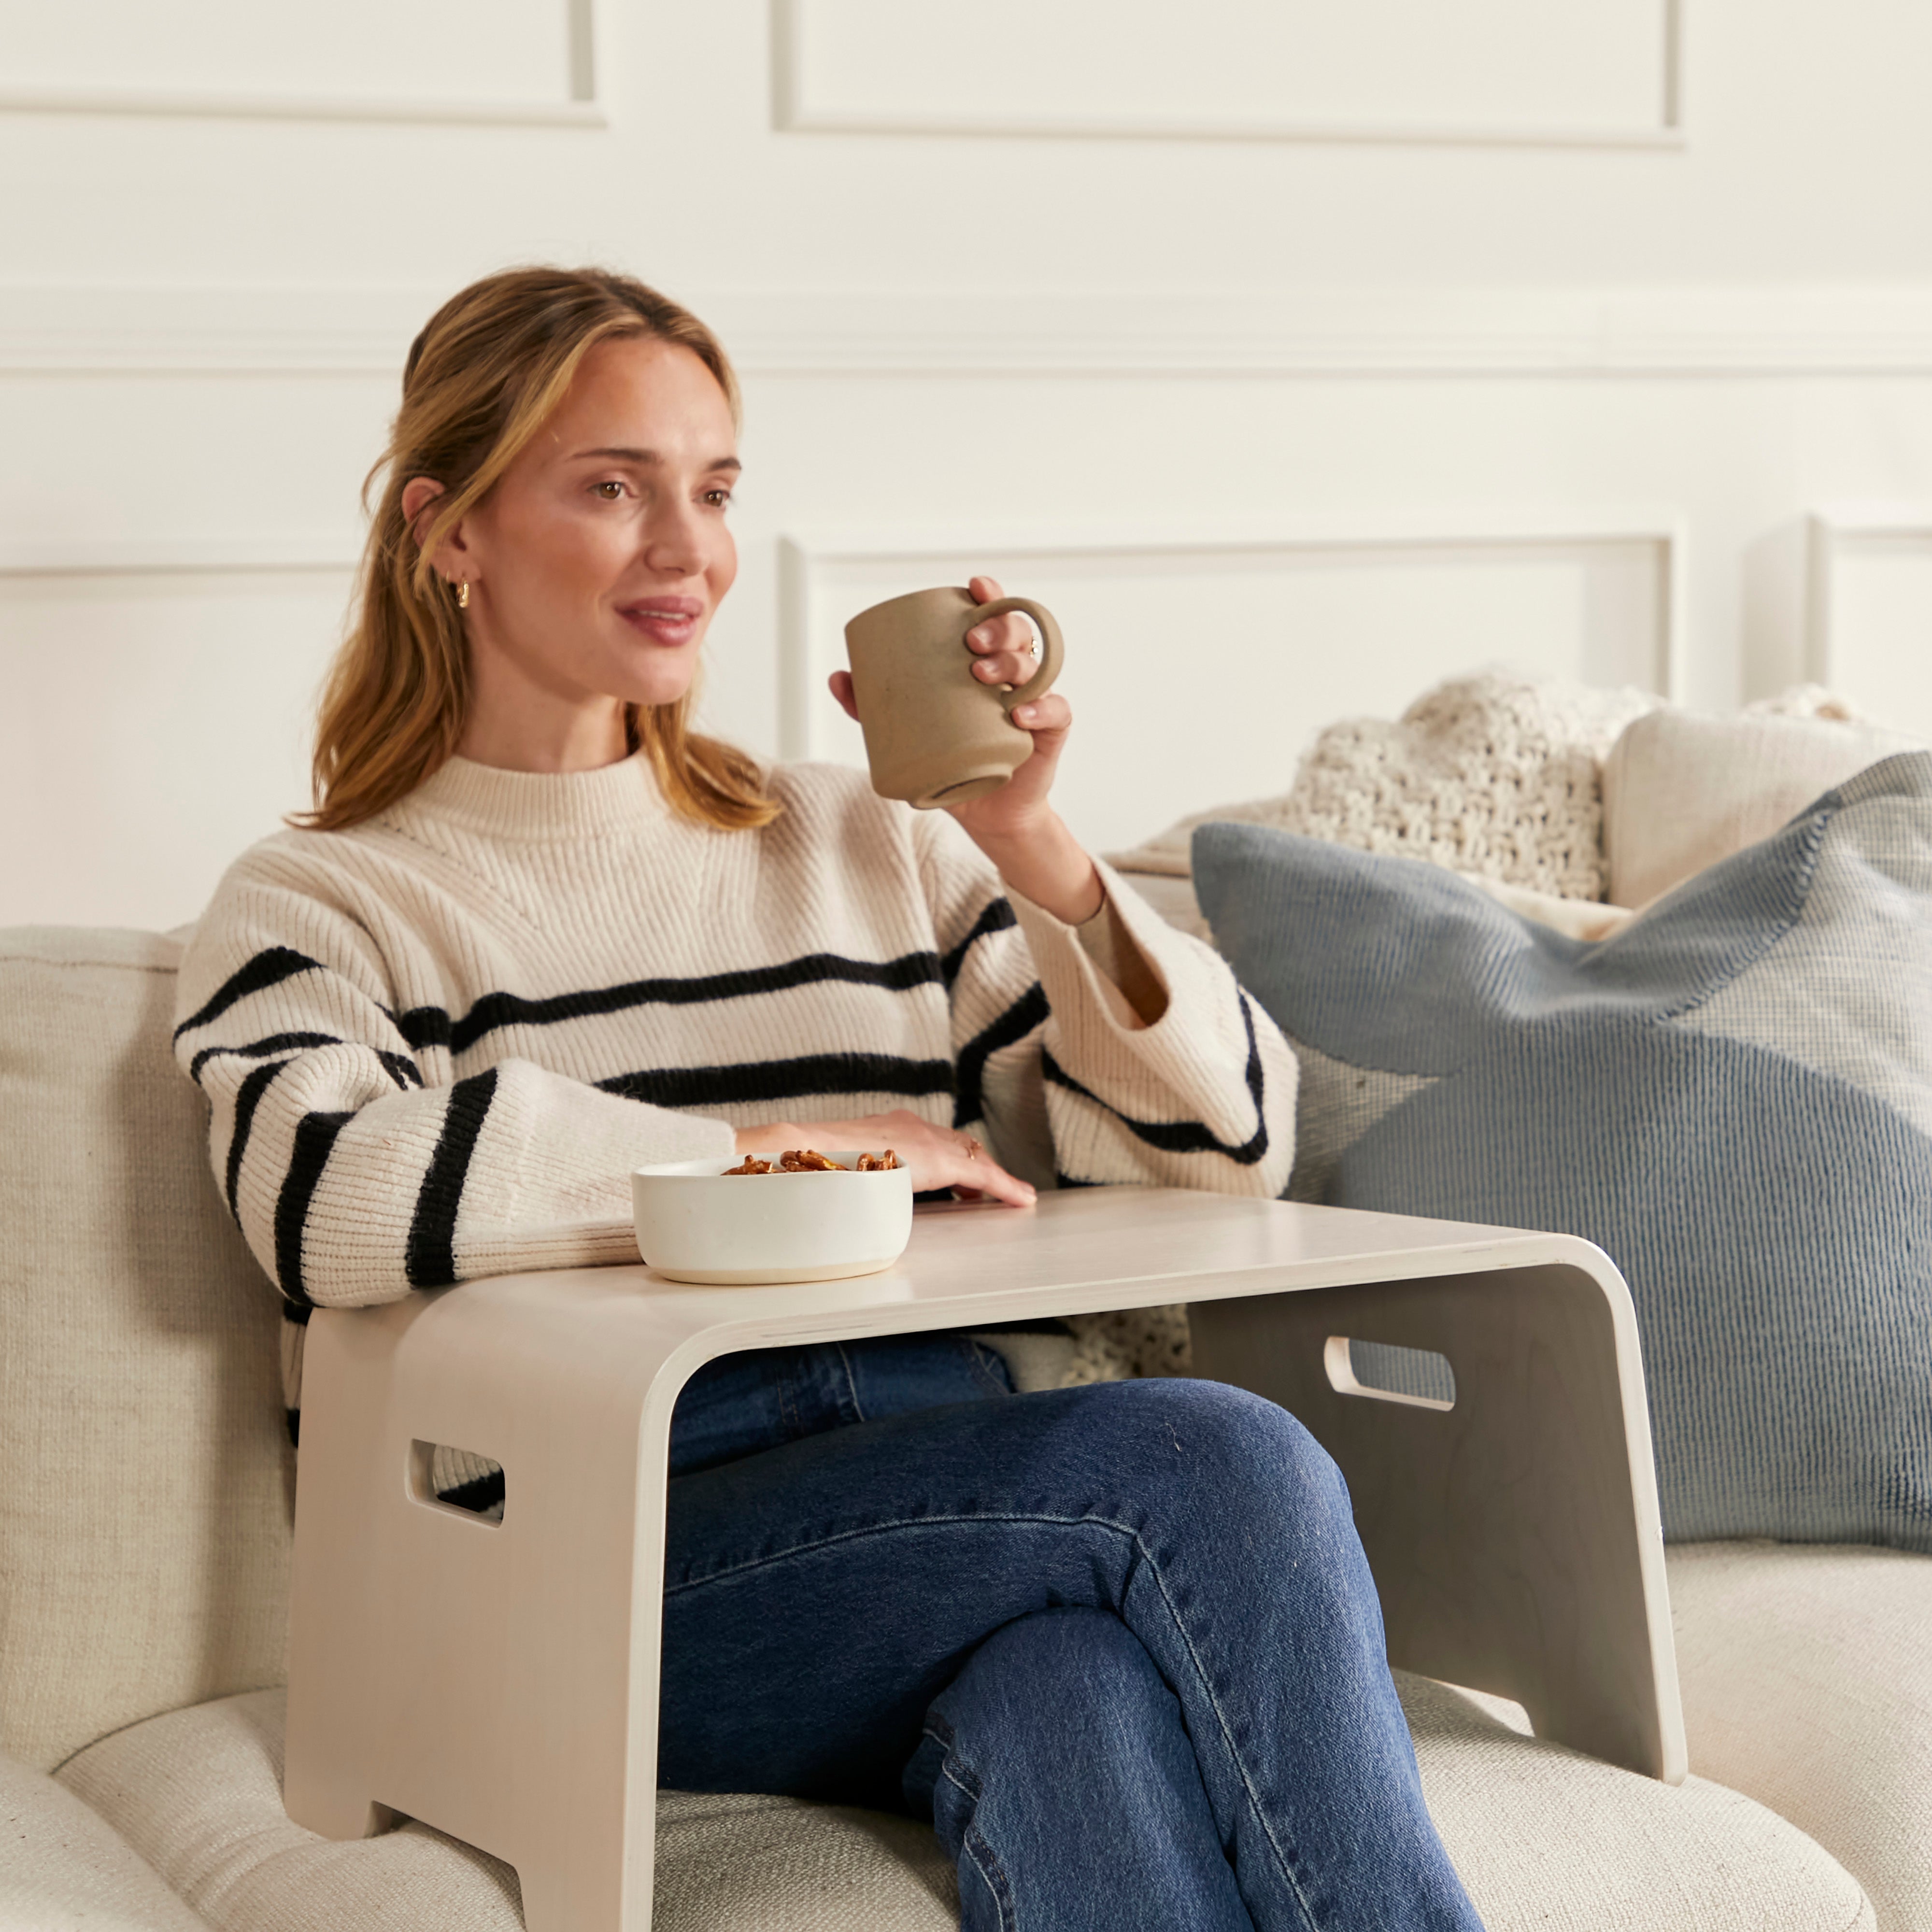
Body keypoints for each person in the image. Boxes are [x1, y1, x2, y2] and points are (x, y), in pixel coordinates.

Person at [174, 266, 1482, 1931]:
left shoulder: (870, 840)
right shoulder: (323, 898)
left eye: (713, 490)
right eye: (611, 487)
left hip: (959, 1501)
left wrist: (1032, 846)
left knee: (1073, 1694)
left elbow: (1221, 1153)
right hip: (596, 1567)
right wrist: (787, 1155)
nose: (688, 550)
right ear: (449, 531)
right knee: (1219, 1466)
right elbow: (327, 1200)